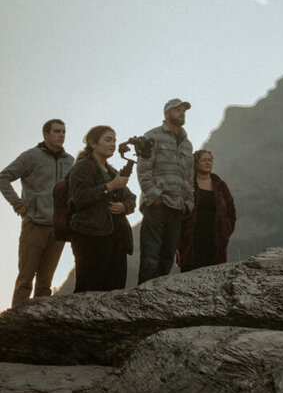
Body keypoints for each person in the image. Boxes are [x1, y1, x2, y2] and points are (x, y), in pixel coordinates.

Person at [0, 119, 74, 307]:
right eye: (57, 131)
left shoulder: (69, 161)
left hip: (58, 228)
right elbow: (3, 177)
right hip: (34, 224)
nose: (61, 135)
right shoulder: (31, 156)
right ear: (45, 134)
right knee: (25, 279)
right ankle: (14, 327)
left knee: (45, 284)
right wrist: (18, 204)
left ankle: (39, 328)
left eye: (63, 132)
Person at [68, 126, 136, 292]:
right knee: (88, 286)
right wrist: (110, 186)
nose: (113, 144)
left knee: (115, 289)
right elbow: (79, 198)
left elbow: (131, 199)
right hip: (90, 237)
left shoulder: (112, 171)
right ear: (93, 143)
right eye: (107, 140)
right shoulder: (82, 167)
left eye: (114, 140)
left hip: (117, 238)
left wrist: (123, 206)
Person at [136, 98, 196, 284]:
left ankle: (159, 298)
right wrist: (154, 197)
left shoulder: (187, 144)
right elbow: (143, 169)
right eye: (177, 110)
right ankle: (142, 299)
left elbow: (189, 177)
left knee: (168, 255)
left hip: (178, 207)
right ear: (166, 113)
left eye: (183, 111)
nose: (182, 113)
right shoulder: (151, 137)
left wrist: (188, 204)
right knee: (150, 255)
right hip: (157, 205)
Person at [176, 149, 237, 271]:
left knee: (216, 272)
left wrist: (226, 231)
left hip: (215, 238)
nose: (207, 163)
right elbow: (178, 211)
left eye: (210, 160)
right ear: (195, 163)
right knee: (190, 274)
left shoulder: (220, 185)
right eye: (203, 160)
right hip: (191, 239)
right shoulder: (187, 184)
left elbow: (231, 211)